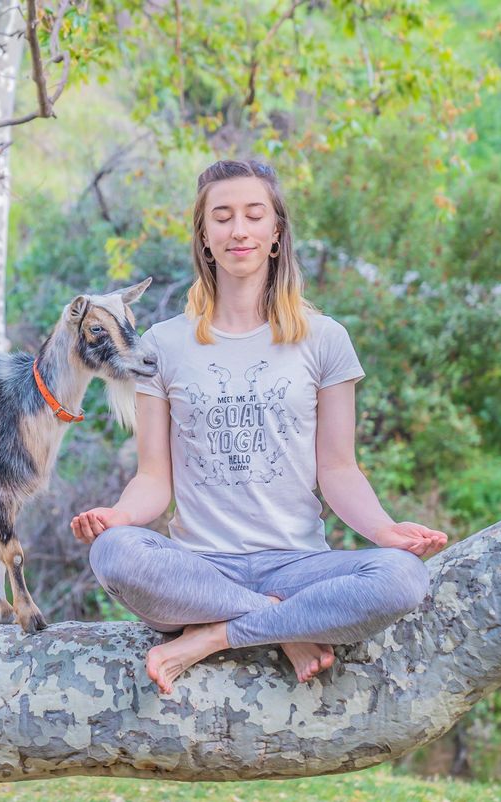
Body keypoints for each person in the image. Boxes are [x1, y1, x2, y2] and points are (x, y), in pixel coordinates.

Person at [70, 159, 448, 694]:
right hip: (199, 571)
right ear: (204, 238)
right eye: (221, 217)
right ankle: (284, 623)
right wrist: (119, 515)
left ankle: (216, 636)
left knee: (403, 577)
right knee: (113, 552)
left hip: (299, 565)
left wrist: (386, 532)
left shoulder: (325, 339)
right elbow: (155, 477)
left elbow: (338, 469)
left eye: (253, 215)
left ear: (276, 232)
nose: (238, 229)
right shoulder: (162, 344)